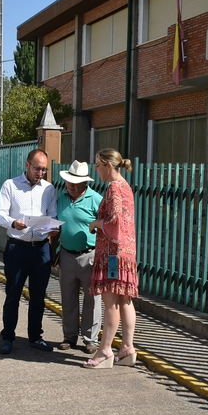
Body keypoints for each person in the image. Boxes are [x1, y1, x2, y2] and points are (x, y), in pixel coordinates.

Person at [0, 148, 58, 355]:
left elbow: (52, 214)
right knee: (13, 294)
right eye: (37, 168)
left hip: (41, 248)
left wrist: (52, 226)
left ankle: (35, 336)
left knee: (38, 296)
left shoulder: (49, 189)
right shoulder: (10, 185)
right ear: (27, 165)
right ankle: (8, 337)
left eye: (44, 169)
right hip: (17, 247)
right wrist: (13, 222)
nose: (40, 173)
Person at [85, 148, 138, 369]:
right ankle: (127, 347)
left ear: (108, 165)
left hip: (112, 255)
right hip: (125, 253)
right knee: (125, 300)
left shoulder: (114, 189)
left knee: (111, 301)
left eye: (97, 166)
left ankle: (105, 350)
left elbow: (115, 224)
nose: (96, 170)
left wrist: (97, 224)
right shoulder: (126, 187)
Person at [52, 160, 102, 355]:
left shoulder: (95, 199)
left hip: (90, 255)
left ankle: (90, 339)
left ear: (84, 183)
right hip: (66, 255)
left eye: (75, 183)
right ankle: (69, 336)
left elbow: (106, 226)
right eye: (68, 182)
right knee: (68, 297)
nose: (71, 186)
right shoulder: (61, 199)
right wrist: (54, 251)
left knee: (92, 298)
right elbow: (56, 227)